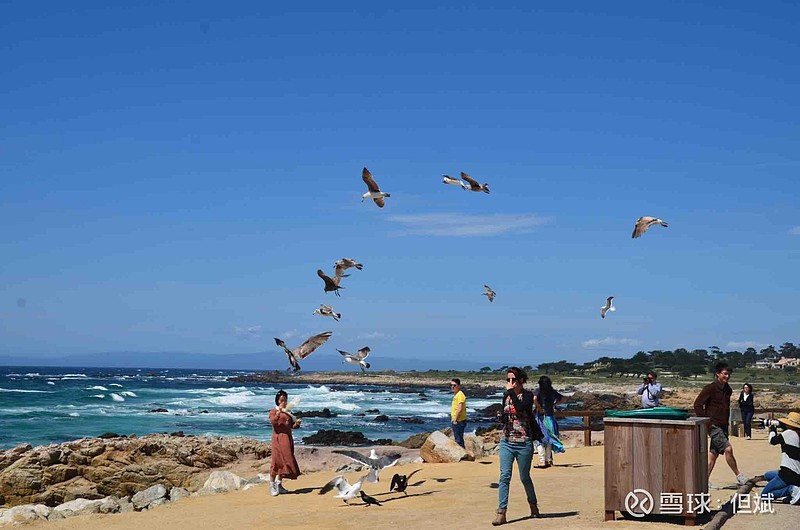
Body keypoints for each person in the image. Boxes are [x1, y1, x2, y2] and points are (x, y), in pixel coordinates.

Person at [492, 367, 543, 525]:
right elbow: (507, 413)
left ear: (521, 380)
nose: (510, 383)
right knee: (504, 477)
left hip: (524, 442)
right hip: (507, 441)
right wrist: (502, 416)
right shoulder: (506, 396)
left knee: (524, 477)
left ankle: (533, 505)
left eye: (514, 380)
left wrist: (512, 393)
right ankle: (501, 513)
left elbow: (522, 410)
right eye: (508, 380)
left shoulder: (528, 396)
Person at [693, 362, 748, 487]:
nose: (727, 376)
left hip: (723, 425)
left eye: (729, 374)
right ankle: (739, 476)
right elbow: (697, 404)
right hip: (713, 425)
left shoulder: (728, 389)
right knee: (728, 449)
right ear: (718, 374)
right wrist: (706, 421)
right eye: (724, 374)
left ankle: (704, 481)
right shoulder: (710, 388)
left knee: (713, 455)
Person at [760, 412, 800, 504]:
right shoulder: (796, 435)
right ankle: (792, 491)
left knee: (764, 496)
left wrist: (772, 429)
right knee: (768, 475)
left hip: (788, 474)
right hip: (797, 474)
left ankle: (791, 489)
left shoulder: (788, 433)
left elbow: (772, 441)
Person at [269, 390, 302, 496]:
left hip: (287, 439)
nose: (284, 402)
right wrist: (278, 414)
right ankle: (272, 485)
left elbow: (291, 426)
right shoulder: (273, 411)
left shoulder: (288, 412)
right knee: (276, 462)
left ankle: (279, 484)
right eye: (282, 400)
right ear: (278, 401)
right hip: (278, 439)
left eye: (285, 400)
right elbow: (274, 423)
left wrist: (296, 424)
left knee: (285, 461)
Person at [533, 375, 566, 468]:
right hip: (550, 417)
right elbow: (563, 398)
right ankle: (548, 460)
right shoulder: (552, 392)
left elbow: (534, 399)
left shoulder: (538, 391)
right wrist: (555, 404)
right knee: (549, 440)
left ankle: (542, 460)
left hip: (541, 417)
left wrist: (539, 407)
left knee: (539, 439)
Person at [450, 378, 467, 448]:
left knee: (458, 440)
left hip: (459, 421)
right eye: (451, 385)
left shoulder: (460, 395)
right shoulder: (456, 395)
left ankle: (461, 455)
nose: (452, 387)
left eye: (454, 385)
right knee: (459, 439)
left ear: (458, 386)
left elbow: (459, 408)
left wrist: (455, 420)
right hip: (457, 420)